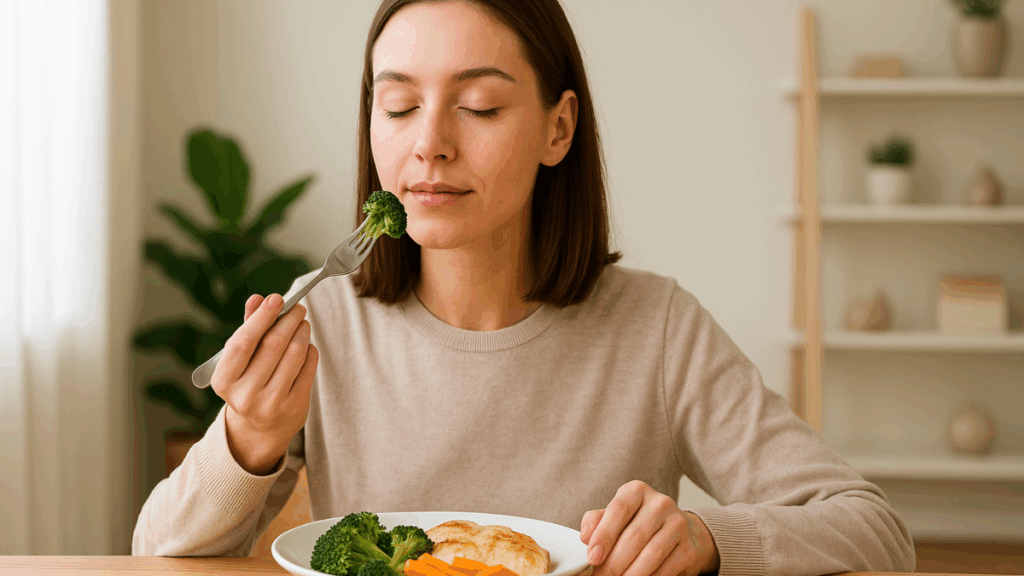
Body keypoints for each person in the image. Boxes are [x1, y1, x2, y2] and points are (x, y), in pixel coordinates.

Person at [133, 1, 917, 574]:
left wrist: (710, 539)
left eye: (478, 105)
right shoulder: (326, 325)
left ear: (558, 129)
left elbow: (874, 530)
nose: (429, 144)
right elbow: (154, 553)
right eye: (398, 104)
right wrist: (249, 441)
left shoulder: (658, 327)